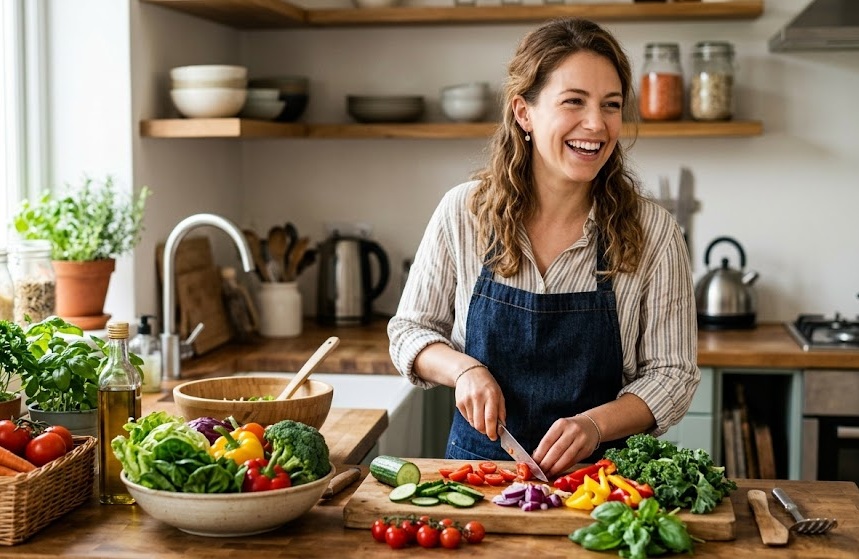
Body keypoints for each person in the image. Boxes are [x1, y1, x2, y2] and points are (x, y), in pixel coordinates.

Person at [387, 18, 699, 478]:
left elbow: (673, 374)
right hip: (479, 480)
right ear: (524, 113)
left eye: (611, 106)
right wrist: (464, 371)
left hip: (602, 489)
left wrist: (594, 425)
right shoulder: (464, 212)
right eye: (574, 101)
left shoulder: (654, 231)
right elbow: (409, 331)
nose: (596, 125)